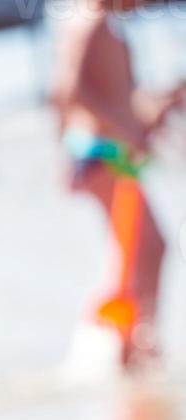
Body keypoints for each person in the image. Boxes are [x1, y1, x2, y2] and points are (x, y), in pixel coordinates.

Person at [52, 0, 184, 365]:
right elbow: (68, 90)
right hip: (101, 151)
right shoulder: (89, 20)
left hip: (107, 149)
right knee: (148, 248)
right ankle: (135, 343)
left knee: (139, 252)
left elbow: (113, 96)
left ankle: (134, 340)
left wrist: (161, 104)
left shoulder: (101, 22)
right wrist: (127, 131)